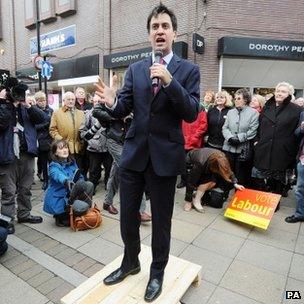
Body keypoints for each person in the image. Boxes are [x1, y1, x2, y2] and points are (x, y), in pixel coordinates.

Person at [94, 4, 200, 302]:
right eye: (155, 27)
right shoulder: (136, 69)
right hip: (134, 155)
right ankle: (131, 262)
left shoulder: (188, 70)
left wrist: (169, 81)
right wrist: (113, 101)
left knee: (161, 222)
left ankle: (157, 272)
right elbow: (123, 106)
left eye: (165, 26)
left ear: (174, 32)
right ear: (149, 34)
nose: (160, 31)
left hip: (165, 159)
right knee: (128, 216)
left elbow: (191, 113)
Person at [0, 78, 45, 234]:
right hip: (7, 156)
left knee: (25, 188)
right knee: (9, 191)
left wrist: (29, 106)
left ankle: (24, 214)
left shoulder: (26, 106)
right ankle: (7, 221)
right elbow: (2, 122)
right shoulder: (2, 106)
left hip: (27, 154)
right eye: (15, 92)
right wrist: (6, 104)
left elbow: (43, 119)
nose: (18, 95)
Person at [253, 82, 302, 211]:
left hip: (282, 150)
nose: (279, 93)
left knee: (277, 179)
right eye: (278, 91)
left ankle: (274, 204)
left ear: (289, 94)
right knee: (263, 177)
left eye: (283, 91)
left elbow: (298, 132)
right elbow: (259, 126)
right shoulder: (267, 107)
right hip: (264, 148)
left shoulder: (296, 110)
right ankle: (263, 202)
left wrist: (291, 147)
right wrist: (257, 141)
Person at [43, 140, 94, 227]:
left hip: (72, 193)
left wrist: (80, 183)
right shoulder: (53, 166)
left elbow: (79, 176)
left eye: (66, 147)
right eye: (61, 148)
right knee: (66, 222)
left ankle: (84, 209)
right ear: (55, 152)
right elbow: (57, 175)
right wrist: (66, 181)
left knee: (89, 184)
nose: (65, 150)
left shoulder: (72, 162)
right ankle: (62, 215)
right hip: (61, 198)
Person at [184, 148, 244, 212]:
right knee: (204, 182)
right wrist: (188, 201)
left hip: (207, 164)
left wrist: (235, 184)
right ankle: (195, 200)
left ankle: (196, 198)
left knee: (212, 183)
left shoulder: (222, 158)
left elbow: (228, 171)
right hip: (192, 164)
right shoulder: (200, 162)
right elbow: (191, 182)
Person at [222, 88, 259, 187]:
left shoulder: (254, 113)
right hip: (228, 147)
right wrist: (229, 137)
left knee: (241, 175)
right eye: (235, 98)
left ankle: (239, 197)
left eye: (239, 98)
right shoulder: (230, 112)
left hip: (242, 150)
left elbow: (253, 130)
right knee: (227, 172)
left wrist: (239, 138)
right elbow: (225, 128)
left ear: (245, 100)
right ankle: (224, 194)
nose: (236, 100)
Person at [79, 93, 113, 193]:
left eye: (100, 101)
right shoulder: (88, 114)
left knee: (110, 169)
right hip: (94, 148)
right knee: (93, 171)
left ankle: (109, 187)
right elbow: (82, 132)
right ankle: (91, 188)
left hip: (109, 148)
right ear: (92, 102)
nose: (98, 103)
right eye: (96, 101)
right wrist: (90, 139)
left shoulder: (110, 113)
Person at [49, 91, 85, 171]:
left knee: (78, 170)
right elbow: (52, 130)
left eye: (73, 99)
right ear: (64, 100)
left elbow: (84, 129)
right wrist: (62, 142)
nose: (71, 101)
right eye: (68, 99)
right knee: (66, 170)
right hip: (64, 149)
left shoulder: (81, 113)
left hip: (79, 148)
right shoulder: (57, 113)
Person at [177, 99, 207, 189]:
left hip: (195, 142)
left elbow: (203, 125)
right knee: (183, 163)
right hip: (183, 141)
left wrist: (194, 137)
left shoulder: (200, 109)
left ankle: (193, 182)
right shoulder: (182, 108)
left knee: (195, 164)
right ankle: (184, 180)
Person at [35, 91, 53, 190]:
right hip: (40, 140)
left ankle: (52, 180)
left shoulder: (51, 110)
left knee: (52, 162)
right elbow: (34, 127)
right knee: (43, 163)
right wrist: (45, 124)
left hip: (50, 139)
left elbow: (53, 124)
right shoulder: (34, 111)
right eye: (40, 100)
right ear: (37, 101)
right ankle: (45, 180)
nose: (43, 102)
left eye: (44, 100)